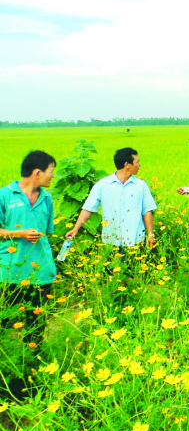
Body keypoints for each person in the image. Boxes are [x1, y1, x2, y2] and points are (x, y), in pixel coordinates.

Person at [1, 151, 57, 346]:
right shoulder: (5, 195)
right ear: (37, 172)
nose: (52, 176)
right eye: (51, 171)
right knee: (5, 321)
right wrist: (20, 233)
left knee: (36, 325)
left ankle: (32, 365)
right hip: (10, 271)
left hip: (41, 271)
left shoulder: (47, 197)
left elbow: (47, 232)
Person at [68, 147, 157, 248]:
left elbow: (147, 211)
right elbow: (88, 208)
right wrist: (76, 228)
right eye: (137, 162)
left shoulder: (141, 186)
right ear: (127, 164)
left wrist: (150, 235)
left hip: (135, 241)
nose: (139, 165)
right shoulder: (103, 185)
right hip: (111, 242)